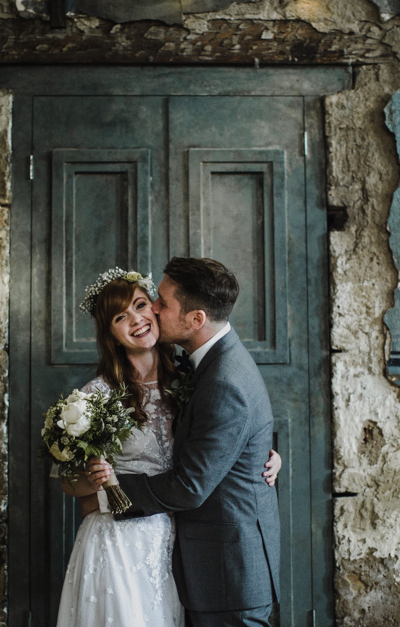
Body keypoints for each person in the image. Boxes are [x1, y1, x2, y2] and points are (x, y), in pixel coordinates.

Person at [55, 267, 281, 627]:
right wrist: (95, 485)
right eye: (120, 316)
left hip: (178, 547)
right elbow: (68, 480)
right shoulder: (93, 398)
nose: (145, 316)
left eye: (146, 304)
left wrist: (258, 456)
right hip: (123, 545)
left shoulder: (190, 379)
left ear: (195, 318)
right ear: (109, 333)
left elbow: (214, 447)